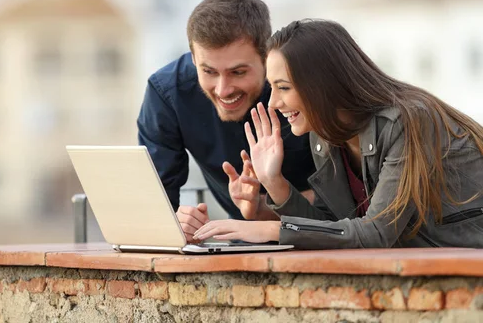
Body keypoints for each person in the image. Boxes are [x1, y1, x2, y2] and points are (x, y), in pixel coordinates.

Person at [194, 19, 483, 248]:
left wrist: (273, 229)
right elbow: (335, 227)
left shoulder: (407, 122)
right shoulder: (324, 136)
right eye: (273, 88)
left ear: (323, 85)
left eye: (284, 88)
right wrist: (273, 182)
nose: (273, 103)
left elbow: (374, 234)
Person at [137, 0, 316, 242]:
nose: (223, 89)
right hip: (242, 241)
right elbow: (154, 206)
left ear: (267, 56)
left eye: (238, 72)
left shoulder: (306, 83)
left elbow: (346, 202)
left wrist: (264, 206)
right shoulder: (167, 93)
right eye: (208, 71)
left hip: (329, 241)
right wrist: (175, 223)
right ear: (193, 57)